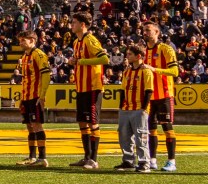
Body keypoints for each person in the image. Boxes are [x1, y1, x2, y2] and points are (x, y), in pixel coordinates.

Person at [67, 13, 109, 169]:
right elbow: (80, 61)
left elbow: (105, 59)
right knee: (82, 122)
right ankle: (86, 157)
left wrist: (80, 61)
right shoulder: (77, 41)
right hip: (81, 87)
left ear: (83, 24)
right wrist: (73, 62)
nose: (72, 24)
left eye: (75, 22)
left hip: (93, 87)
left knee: (93, 123)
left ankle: (94, 159)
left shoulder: (90, 40)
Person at [142, 22, 179, 172]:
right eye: (144, 30)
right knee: (150, 129)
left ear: (157, 32)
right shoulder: (143, 51)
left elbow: (175, 71)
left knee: (167, 128)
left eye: (148, 30)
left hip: (164, 94)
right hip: (149, 96)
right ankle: (152, 160)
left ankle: (171, 161)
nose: (145, 32)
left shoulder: (166, 49)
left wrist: (154, 69)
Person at [116, 43, 153, 173]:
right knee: (124, 135)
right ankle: (128, 160)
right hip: (126, 108)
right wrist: (121, 106)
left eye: (130, 54)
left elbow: (149, 91)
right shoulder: (127, 71)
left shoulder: (146, 71)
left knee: (141, 135)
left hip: (139, 108)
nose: (127, 56)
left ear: (138, 56)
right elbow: (122, 90)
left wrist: (144, 108)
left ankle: (144, 162)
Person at [15, 30, 51, 168]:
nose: (21, 43)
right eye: (20, 40)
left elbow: (46, 75)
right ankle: (32, 157)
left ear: (32, 40)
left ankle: (42, 158)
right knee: (30, 127)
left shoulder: (39, 55)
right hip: (26, 97)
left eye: (23, 40)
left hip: (35, 96)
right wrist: (22, 98)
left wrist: (42, 96)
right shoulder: (24, 57)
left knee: (37, 125)